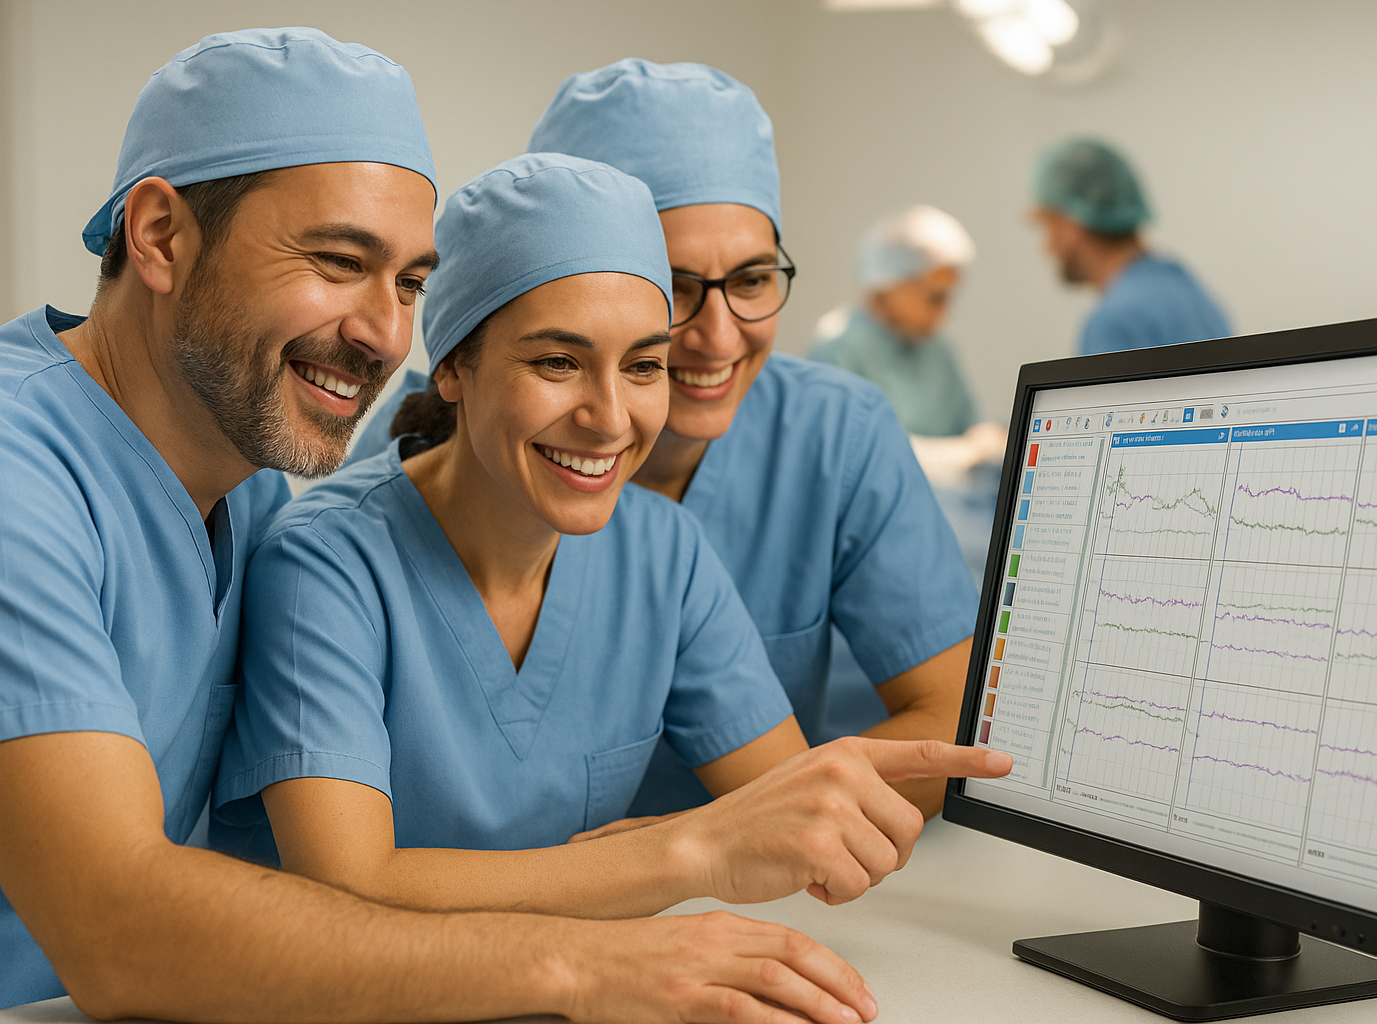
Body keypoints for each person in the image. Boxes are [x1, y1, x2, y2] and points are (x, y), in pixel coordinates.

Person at [0, 29, 1000, 1023]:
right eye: (338, 260)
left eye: (406, 283)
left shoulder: (246, 481)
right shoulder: (37, 475)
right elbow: (124, 925)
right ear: (162, 235)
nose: (384, 334)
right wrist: (594, 952)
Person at [211, 152, 1007, 920]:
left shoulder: (665, 555)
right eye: (558, 362)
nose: (611, 420)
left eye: (643, 366)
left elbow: (791, 814)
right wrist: (681, 850)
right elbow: (349, 889)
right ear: (452, 367)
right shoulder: (324, 562)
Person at [353, 60, 980, 820]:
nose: (718, 337)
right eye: (674, 289)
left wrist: (751, 839)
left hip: (730, 897)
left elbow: (956, 723)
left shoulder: (829, 439)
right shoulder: (411, 479)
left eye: (751, 280)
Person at [1030, 137, 1231, 356]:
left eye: (1046, 226)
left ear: (1072, 225)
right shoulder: (1189, 291)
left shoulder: (1113, 322)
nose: (1044, 248)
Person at [808, 205, 979, 437]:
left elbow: (970, 426)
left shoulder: (938, 351)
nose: (945, 313)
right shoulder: (838, 350)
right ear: (891, 284)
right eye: (936, 298)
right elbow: (850, 452)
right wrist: (955, 456)